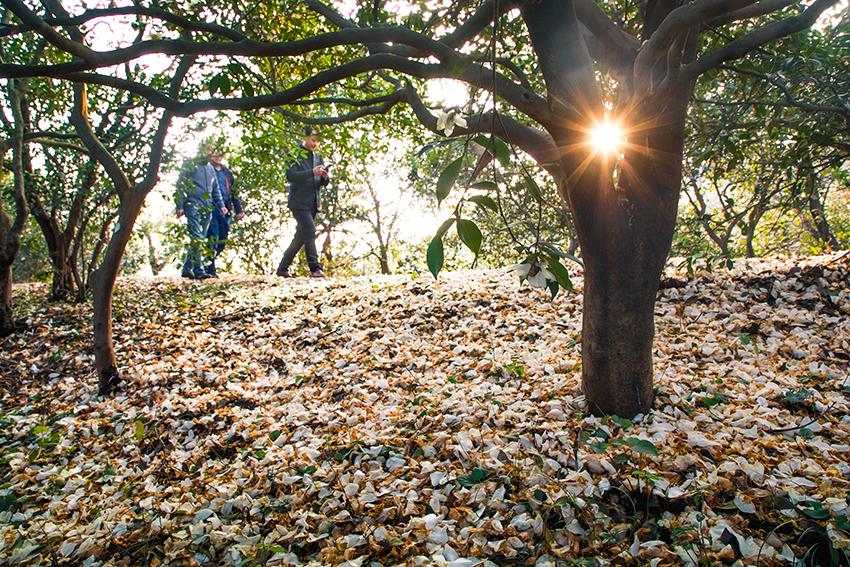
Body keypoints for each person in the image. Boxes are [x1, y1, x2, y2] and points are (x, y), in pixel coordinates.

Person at [276, 126, 330, 278]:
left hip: (313, 202)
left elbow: (320, 182)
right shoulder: (294, 154)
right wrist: (311, 172)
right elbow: (290, 176)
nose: (315, 144)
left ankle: (282, 268)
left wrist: (325, 178)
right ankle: (315, 268)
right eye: (312, 140)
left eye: (317, 141)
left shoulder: (318, 157)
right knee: (310, 231)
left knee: (300, 236)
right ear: (305, 138)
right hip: (298, 202)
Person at [175, 146, 227, 280]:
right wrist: (179, 205)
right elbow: (180, 185)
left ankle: (187, 268)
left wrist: (221, 205)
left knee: (199, 237)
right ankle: (199, 270)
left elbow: (215, 189)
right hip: (192, 204)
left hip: (207, 207)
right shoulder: (190, 164)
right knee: (197, 236)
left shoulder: (210, 169)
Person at [204, 148, 244, 278]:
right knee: (212, 237)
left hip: (225, 209)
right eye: (214, 153)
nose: (217, 156)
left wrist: (239, 209)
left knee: (222, 239)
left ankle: (207, 262)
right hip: (211, 207)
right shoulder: (207, 170)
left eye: (219, 154)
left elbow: (233, 192)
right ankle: (209, 268)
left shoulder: (227, 172)